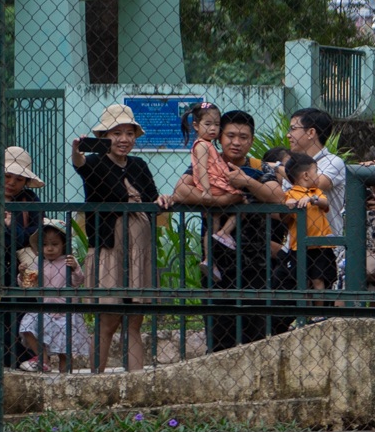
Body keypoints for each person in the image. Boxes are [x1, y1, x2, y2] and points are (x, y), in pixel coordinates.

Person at [173, 110, 285, 351]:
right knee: (219, 335)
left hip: (255, 261)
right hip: (217, 264)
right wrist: (224, 201)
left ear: (251, 140)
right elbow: (181, 190)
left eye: (243, 137)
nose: (236, 142)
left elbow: (277, 196)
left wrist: (246, 182)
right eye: (231, 135)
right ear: (220, 137)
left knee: (255, 337)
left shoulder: (261, 168)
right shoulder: (208, 161)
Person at [74, 104, 174, 372]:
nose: (124, 139)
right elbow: (81, 165)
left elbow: (152, 195)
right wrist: (77, 149)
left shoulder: (139, 165)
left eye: (129, 133)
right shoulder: (95, 162)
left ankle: (136, 382)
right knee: (107, 320)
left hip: (138, 247)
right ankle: (96, 380)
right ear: (105, 135)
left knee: (134, 322)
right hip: (110, 247)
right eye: (116, 133)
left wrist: (161, 199)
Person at [17, 221, 89, 373]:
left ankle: (65, 377)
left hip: (66, 311)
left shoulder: (68, 262)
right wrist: (23, 274)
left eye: (55, 244)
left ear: (63, 244)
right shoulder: (38, 263)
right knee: (27, 325)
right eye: (45, 244)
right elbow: (28, 285)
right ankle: (43, 359)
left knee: (65, 350)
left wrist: (75, 268)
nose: (49, 248)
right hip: (45, 310)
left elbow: (78, 281)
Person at [2, 146, 45, 366]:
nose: (11, 183)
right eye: (7, 176)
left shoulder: (32, 202)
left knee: (21, 318)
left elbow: (33, 237)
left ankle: (24, 361)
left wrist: (11, 227)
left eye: (18, 179)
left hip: (22, 271)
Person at [286, 108, 348, 246]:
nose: (288, 135)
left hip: (326, 245)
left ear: (311, 132)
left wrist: (277, 167)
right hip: (295, 245)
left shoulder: (332, 162)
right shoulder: (291, 164)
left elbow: (314, 184)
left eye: (293, 129)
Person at [277, 153, 338, 290]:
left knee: (319, 280)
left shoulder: (316, 192)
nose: (318, 175)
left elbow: (325, 203)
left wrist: (312, 200)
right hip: (299, 246)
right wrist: (289, 206)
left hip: (320, 245)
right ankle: (305, 308)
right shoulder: (290, 194)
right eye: (316, 172)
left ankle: (319, 310)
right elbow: (285, 220)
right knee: (302, 280)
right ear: (305, 175)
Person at [185, 101, 237, 248]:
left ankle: (209, 259)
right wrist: (207, 190)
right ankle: (225, 232)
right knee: (243, 201)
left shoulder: (207, 144)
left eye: (216, 124)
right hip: (213, 186)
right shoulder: (202, 145)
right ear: (196, 125)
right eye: (208, 124)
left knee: (213, 222)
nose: (213, 128)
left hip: (212, 185)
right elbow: (202, 168)